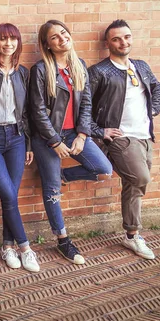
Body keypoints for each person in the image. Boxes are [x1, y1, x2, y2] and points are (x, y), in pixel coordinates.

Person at [29, 20, 113, 265]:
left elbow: (86, 104)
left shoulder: (80, 65)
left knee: (104, 169)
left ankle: (64, 176)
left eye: (63, 33)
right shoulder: (41, 69)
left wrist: (83, 135)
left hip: (74, 134)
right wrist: (55, 142)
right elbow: (37, 111)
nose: (61, 38)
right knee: (52, 190)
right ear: (47, 44)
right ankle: (63, 239)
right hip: (47, 138)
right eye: (54, 37)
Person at [88, 19, 160, 260]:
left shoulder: (141, 65)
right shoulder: (99, 71)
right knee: (141, 178)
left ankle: (131, 235)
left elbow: (157, 87)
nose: (123, 42)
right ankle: (133, 234)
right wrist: (100, 131)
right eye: (117, 39)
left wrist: (155, 109)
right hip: (121, 138)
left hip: (145, 136)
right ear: (108, 43)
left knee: (134, 186)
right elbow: (83, 107)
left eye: (127, 37)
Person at [0, 23, 39, 272]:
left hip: (16, 138)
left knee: (10, 194)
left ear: (18, 43)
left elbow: (27, 113)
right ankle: (25, 247)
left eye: (13, 39)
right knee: (9, 194)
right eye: (3, 39)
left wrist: (29, 143)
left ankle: (7, 245)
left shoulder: (23, 73)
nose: (8, 44)